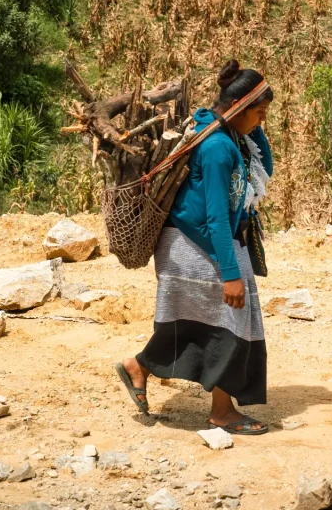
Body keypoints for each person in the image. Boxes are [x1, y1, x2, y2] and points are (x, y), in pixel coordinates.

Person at [115, 60, 274, 435]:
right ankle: (222, 412)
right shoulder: (218, 148)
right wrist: (231, 274)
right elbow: (217, 217)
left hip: (197, 238)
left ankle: (140, 366)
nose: (261, 123)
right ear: (238, 109)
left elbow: (262, 160)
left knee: (198, 324)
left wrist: (244, 109)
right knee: (229, 323)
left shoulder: (222, 128)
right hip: (192, 242)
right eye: (260, 114)